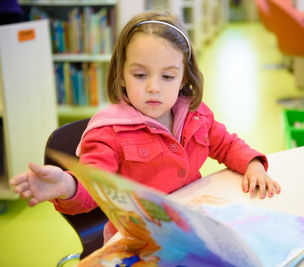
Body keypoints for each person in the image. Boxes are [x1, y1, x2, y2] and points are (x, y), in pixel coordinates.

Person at [10, 11, 281, 243]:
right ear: (122, 75)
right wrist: (66, 184)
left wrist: (253, 164)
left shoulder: (196, 115)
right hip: (139, 240)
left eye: (167, 76)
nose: (153, 87)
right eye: (140, 75)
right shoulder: (108, 133)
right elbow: (93, 185)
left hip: (189, 227)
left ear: (183, 76)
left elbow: (227, 144)